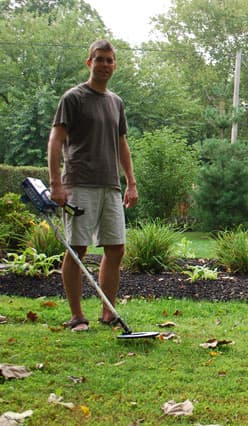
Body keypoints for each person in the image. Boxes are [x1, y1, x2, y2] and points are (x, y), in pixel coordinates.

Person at [47, 40, 137, 332]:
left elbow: (122, 144)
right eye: (99, 59)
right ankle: (76, 316)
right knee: (77, 249)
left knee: (116, 249)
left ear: (115, 64)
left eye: (110, 60)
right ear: (89, 63)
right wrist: (56, 183)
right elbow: (56, 140)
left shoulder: (116, 102)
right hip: (79, 184)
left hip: (110, 185)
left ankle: (108, 312)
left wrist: (131, 183)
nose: (105, 65)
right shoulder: (73, 98)